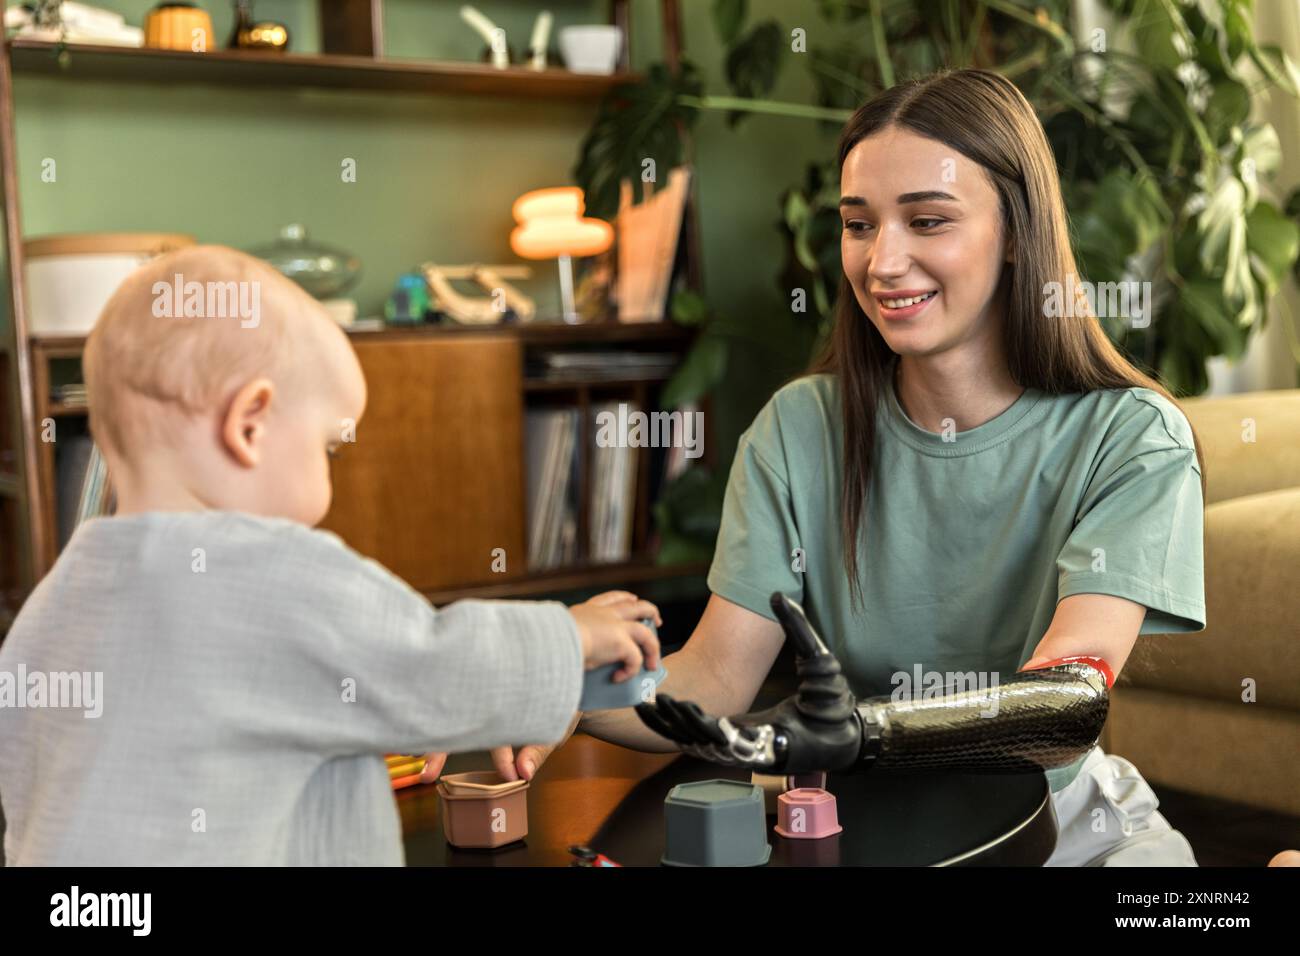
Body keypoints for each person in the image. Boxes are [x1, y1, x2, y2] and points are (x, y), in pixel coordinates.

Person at [462, 69, 1208, 866]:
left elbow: (1066, 699)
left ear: (1019, 233)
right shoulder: (799, 429)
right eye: (859, 225)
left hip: (1062, 833)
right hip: (857, 831)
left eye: (928, 220)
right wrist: (550, 687)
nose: (883, 262)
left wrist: (862, 732)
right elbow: (712, 681)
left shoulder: (1132, 437)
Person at [0, 246, 660, 865]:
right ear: (249, 425)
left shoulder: (52, 604)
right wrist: (573, 637)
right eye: (330, 446)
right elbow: (433, 659)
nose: (331, 474)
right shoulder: (275, 573)